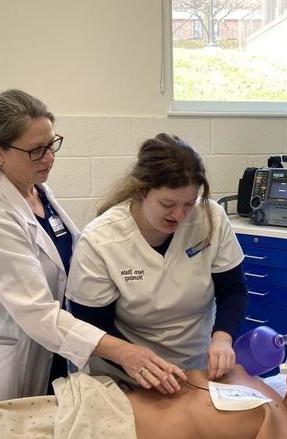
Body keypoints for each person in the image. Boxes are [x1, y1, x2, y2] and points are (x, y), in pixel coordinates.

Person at [0, 90, 184, 415]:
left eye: (52, 144)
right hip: (0, 358)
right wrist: (123, 352)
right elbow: (38, 313)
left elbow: (77, 258)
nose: (49, 157)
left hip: (45, 348)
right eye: (36, 151)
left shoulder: (38, 192)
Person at [65, 133, 249, 385]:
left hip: (195, 368)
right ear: (141, 192)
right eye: (167, 204)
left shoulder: (210, 219)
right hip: (126, 373)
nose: (180, 214)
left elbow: (234, 291)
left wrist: (222, 338)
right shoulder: (101, 241)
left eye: (189, 203)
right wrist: (140, 363)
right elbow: (91, 325)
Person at [0, 358, 287, 439]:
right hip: (101, 401)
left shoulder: (286, 433)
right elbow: (226, 366)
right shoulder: (267, 390)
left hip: (113, 432)